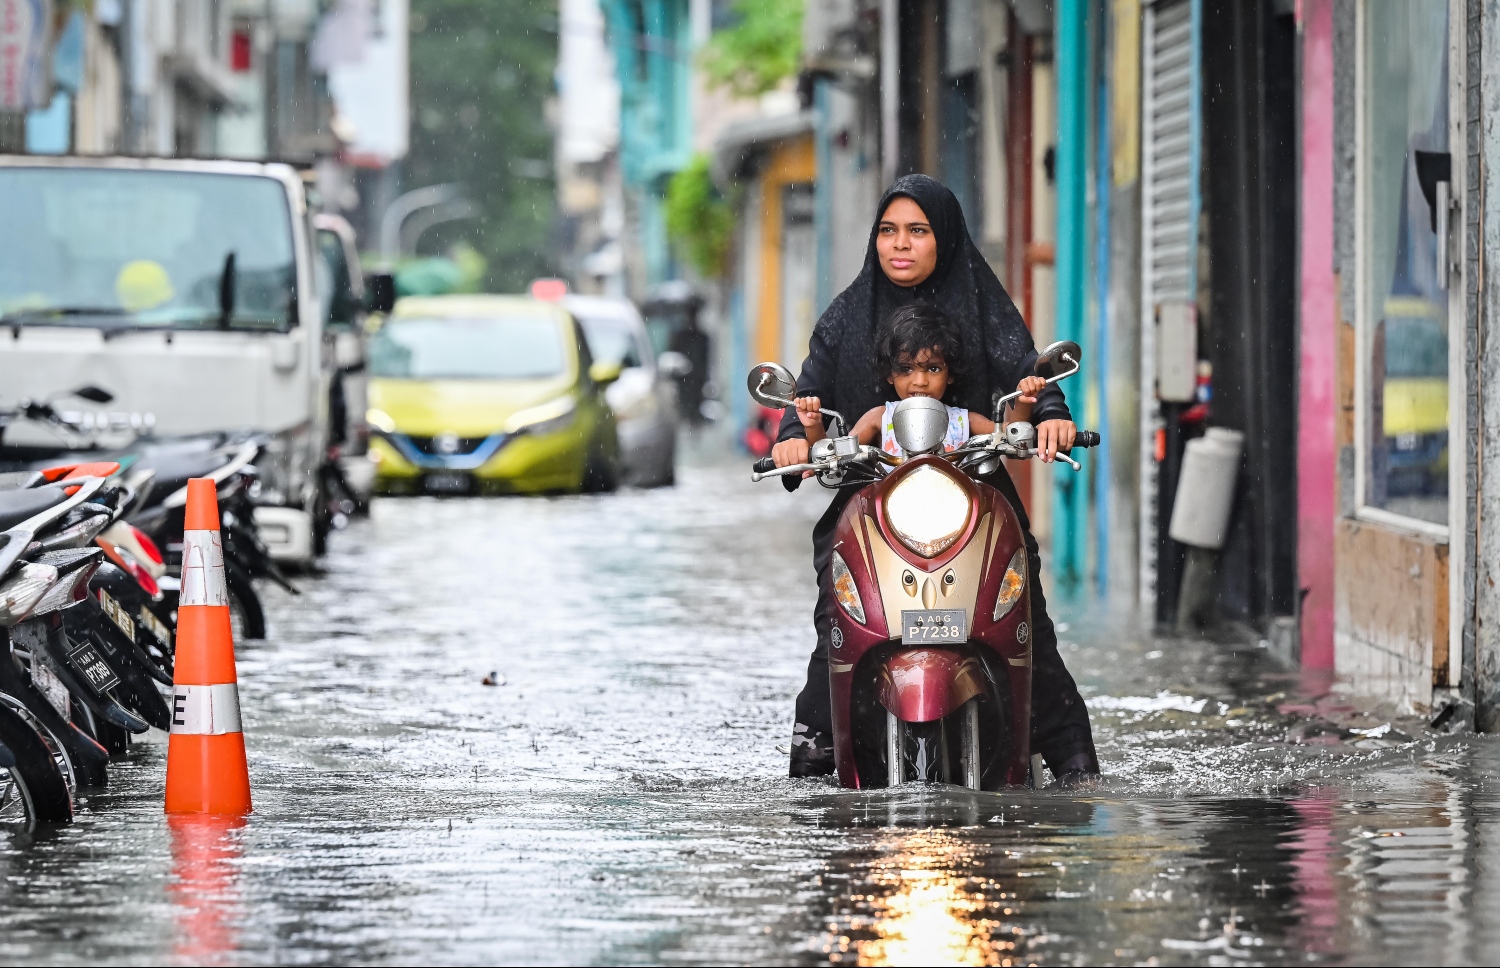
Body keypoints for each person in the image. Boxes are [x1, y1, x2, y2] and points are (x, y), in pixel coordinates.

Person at [772, 173, 1100, 783]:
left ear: (943, 239)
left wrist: (1050, 418)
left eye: (918, 231)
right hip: (870, 504)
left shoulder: (983, 305)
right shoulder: (848, 313)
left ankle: (1075, 765)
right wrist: (796, 435)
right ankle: (816, 757)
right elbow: (808, 395)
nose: (901, 244)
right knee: (836, 633)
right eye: (889, 231)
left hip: (971, 497)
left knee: (1030, 631)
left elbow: (1028, 378)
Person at [795, 302, 1047, 459]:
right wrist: (813, 426)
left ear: (951, 373)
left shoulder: (962, 420)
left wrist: (1023, 401)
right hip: (893, 522)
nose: (920, 381)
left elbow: (1009, 437)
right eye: (905, 369)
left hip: (954, 520)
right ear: (888, 373)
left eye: (933, 368)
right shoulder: (879, 418)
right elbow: (832, 456)